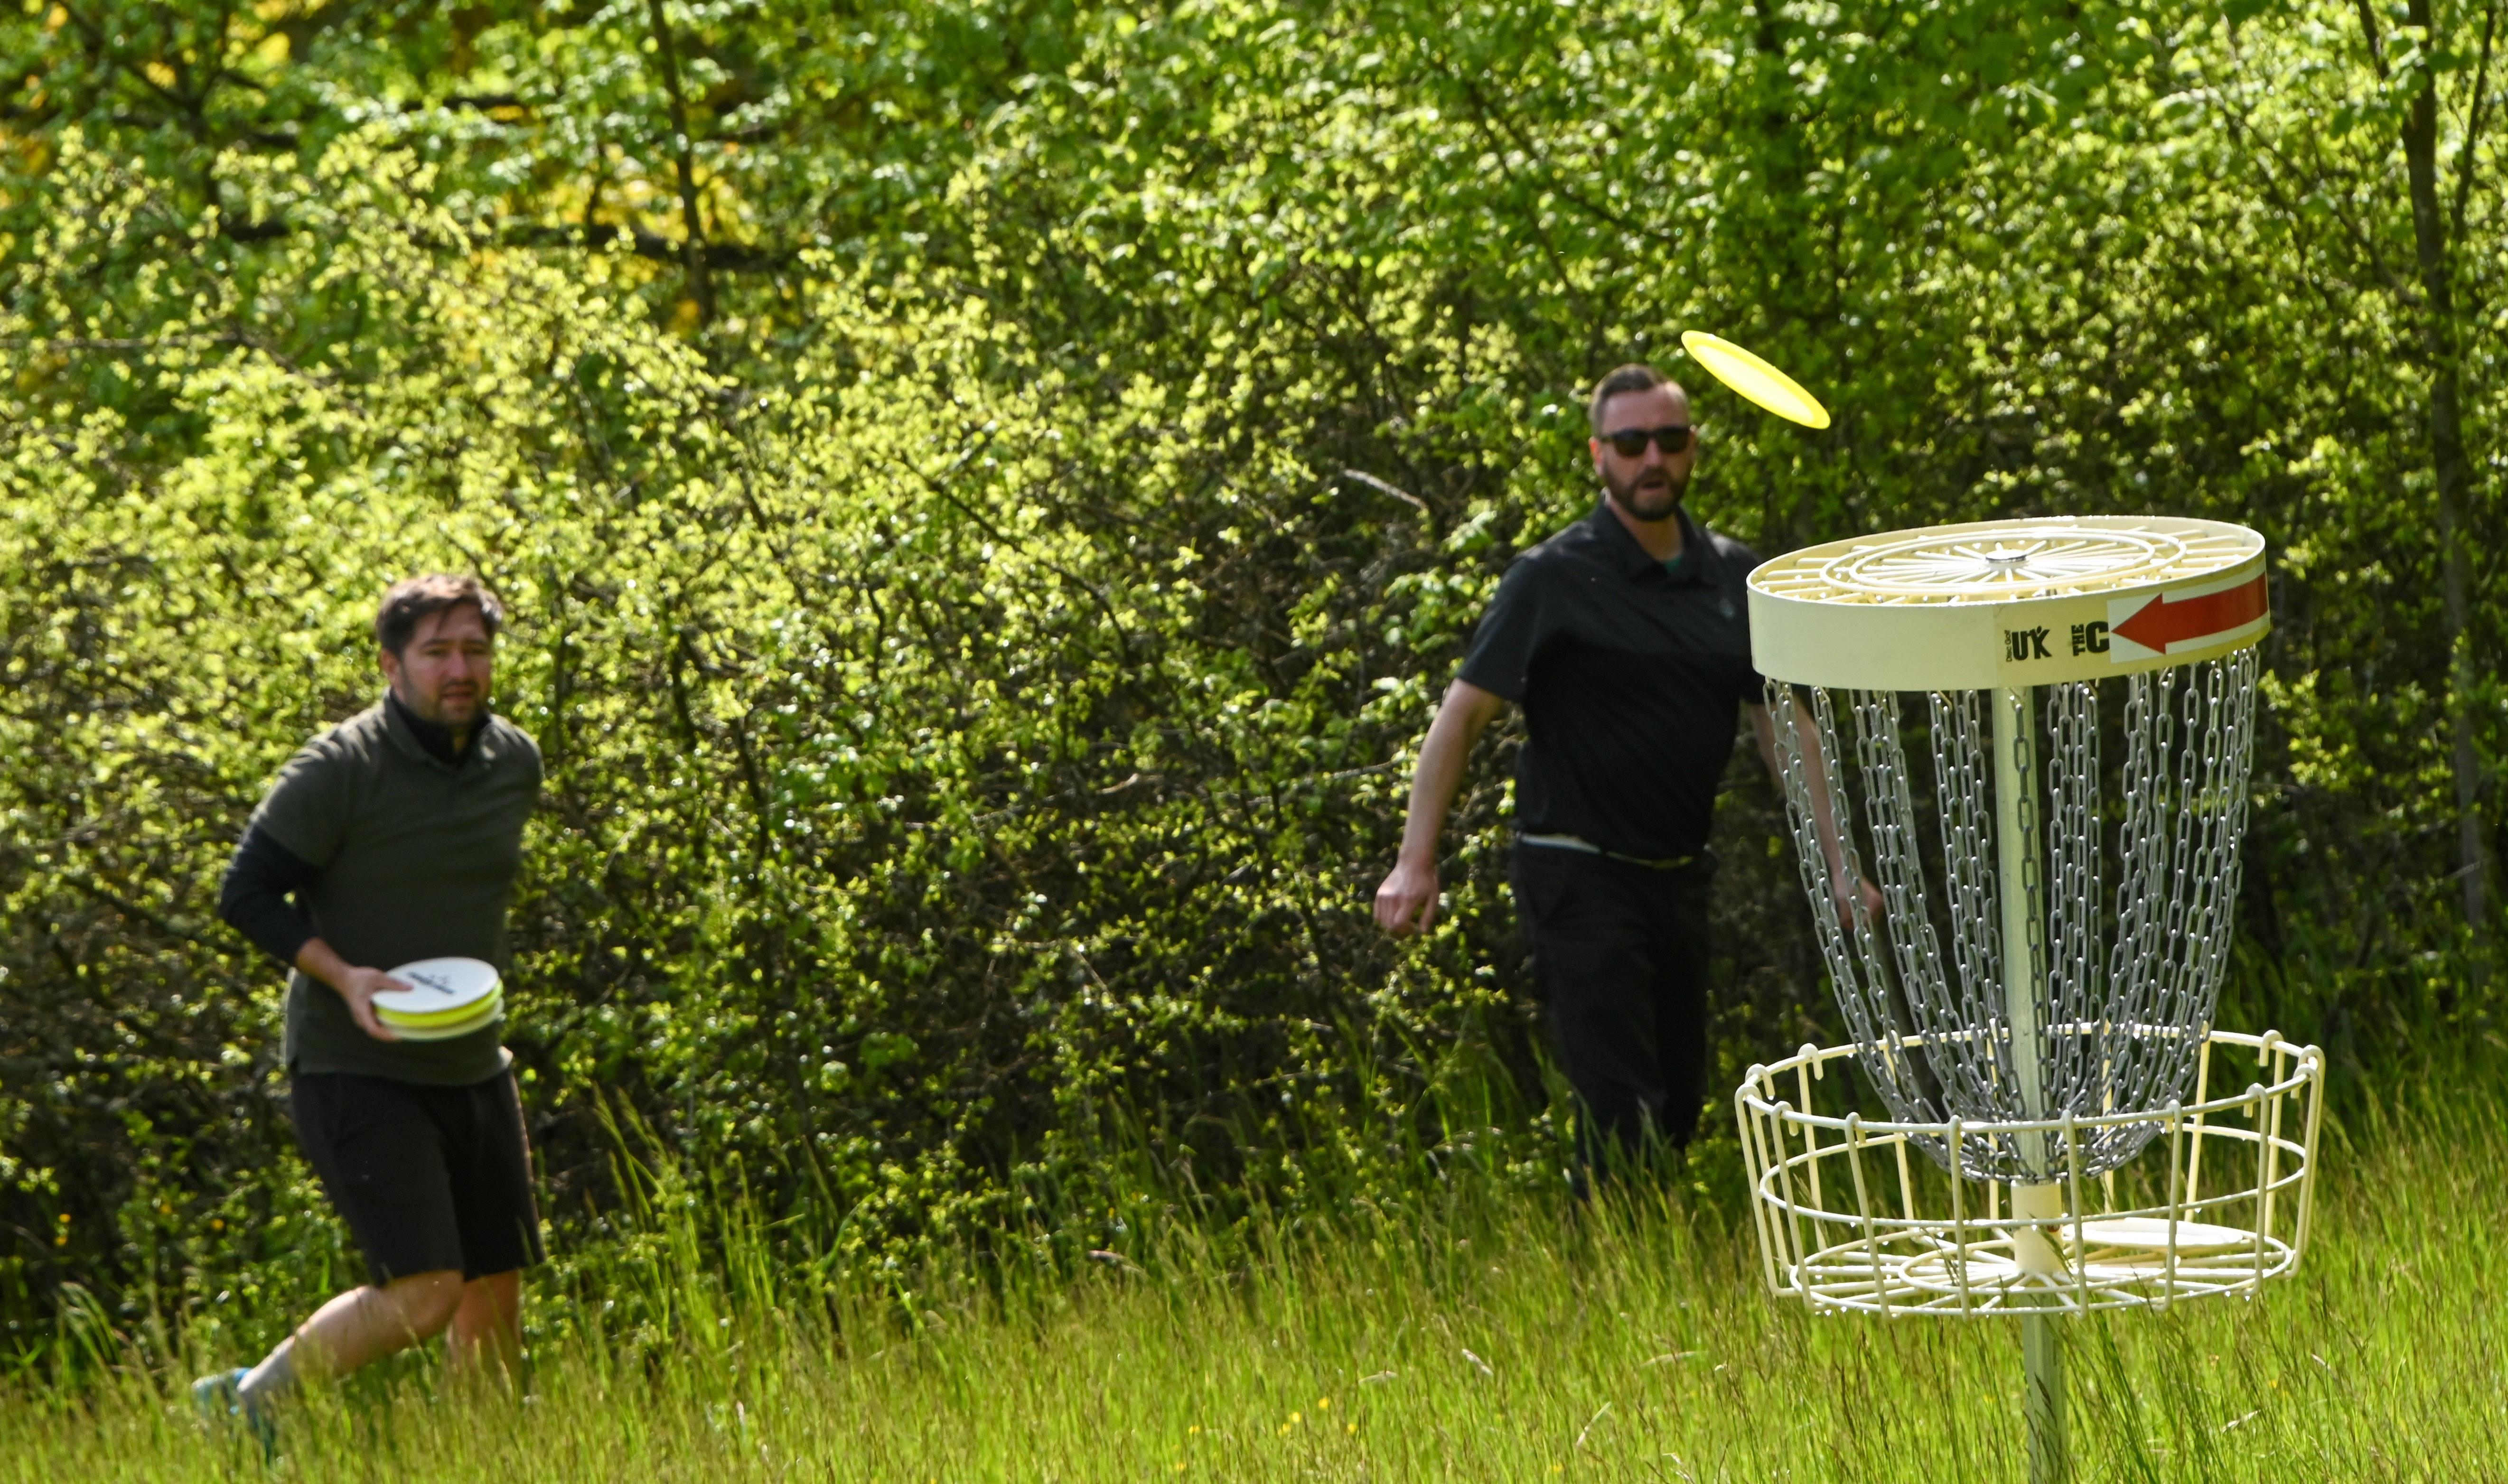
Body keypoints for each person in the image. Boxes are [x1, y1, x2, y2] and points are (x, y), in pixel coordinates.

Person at [1373, 363, 1870, 1175]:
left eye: (1669, 442)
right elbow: (1461, 718)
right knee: (1622, 1113)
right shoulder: (1554, 577)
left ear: (1692, 451)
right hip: (1576, 871)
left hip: (1678, 875)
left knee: (1677, 1107)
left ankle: (1611, 1266)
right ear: (1598, 455)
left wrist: (1839, 867)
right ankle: (1607, 1274)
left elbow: (1785, 729)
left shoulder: (1730, 575)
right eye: (1632, 443)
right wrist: (1413, 862)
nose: (1653, 460)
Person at [193, 574, 545, 1440]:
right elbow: (245, 894)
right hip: (356, 1064)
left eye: (475, 649)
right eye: (437, 652)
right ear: (392, 665)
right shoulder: (338, 769)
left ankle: (480, 1458)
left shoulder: (515, 762)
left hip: (473, 1060)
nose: (459, 668)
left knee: (494, 1292)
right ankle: (248, 1407)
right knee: (425, 1294)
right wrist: (346, 977)